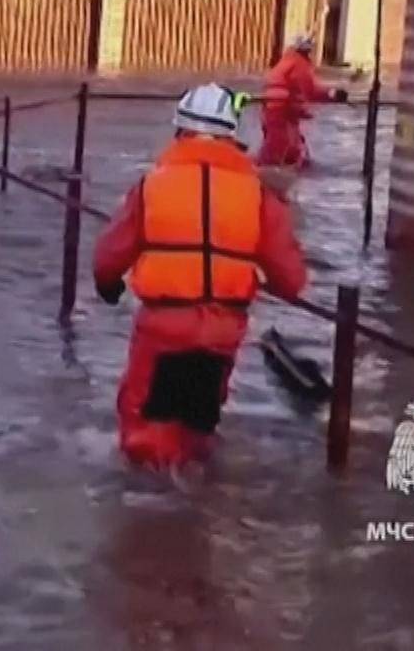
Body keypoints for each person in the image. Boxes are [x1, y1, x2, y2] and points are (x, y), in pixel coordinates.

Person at [91, 83, 309, 469]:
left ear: (179, 131)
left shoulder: (150, 187)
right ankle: (197, 513)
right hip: (223, 333)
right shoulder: (258, 195)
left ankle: (153, 517)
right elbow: (290, 280)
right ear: (232, 135)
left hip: (163, 328)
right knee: (198, 429)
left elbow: (110, 254)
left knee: (146, 435)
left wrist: (108, 284)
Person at [257, 33, 347, 169]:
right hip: (282, 109)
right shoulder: (299, 65)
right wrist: (332, 93)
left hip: (273, 107)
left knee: (280, 147)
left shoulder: (285, 61)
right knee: (282, 150)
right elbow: (310, 90)